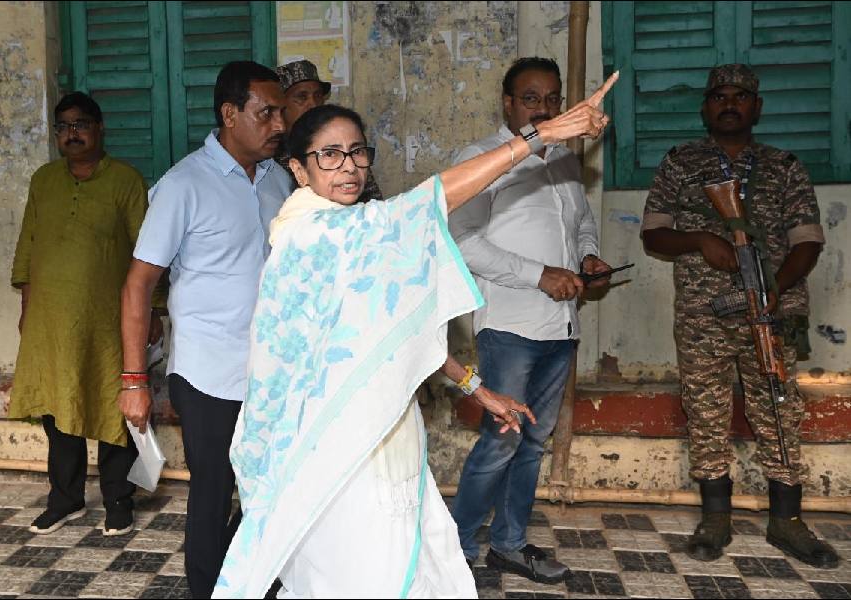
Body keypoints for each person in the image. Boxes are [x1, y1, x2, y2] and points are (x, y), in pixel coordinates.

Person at [214, 73, 617, 598]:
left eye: (357, 153)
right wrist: (541, 136)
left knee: (405, 567)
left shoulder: (358, 231)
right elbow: (429, 204)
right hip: (335, 446)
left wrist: (478, 389)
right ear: (298, 168)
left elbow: (398, 327)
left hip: (386, 430)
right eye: (329, 155)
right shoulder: (311, 234)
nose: (349, 167)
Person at [641, 64, 838, 568]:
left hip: (771, 313)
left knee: (779, 411)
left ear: (757, 107)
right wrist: (700, 240)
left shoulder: (784, 167)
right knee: (705, 411)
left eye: (741, 96)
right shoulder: (680, 163)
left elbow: (808, 241)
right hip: (702, 315)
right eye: (719, 96)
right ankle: (715, 519)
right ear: (705, 107)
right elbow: (653, 234)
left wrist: (776, 287)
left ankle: (787, 520)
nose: (729, 104)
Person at [118, 61, 293, 598]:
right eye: (266, 113)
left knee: (271, 492)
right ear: (229, 114)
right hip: (208, 372)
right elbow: (138, 285)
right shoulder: (183, 185)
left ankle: (249, 585)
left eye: (281, 113)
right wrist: (133, 380)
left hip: (271, 368)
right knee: (213, 495)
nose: (280, 125)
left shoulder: (278, 178)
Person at [448, 57, 612, 583]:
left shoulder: (562, 159)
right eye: (531, 98)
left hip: (561, 327)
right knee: (501, 441)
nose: (544, 108)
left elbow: (581, 223)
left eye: (552, 99)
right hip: (509, 326)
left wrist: (588, 256)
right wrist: (539, 274)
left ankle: (509, 544)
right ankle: (454, 550)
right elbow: (461, 240)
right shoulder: (482, 159)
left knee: (532, 443)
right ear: (508, 103)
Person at [10, 92, 158, 537]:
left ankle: (118, 499)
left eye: (80, 124)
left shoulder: (126, 181)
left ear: (99, 129)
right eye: (63, 126)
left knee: (114, 405)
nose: (71, 133)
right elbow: (28, 246)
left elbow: (147, 252)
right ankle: (66, 499)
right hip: (51, 321)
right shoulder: (44, 181)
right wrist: (27, 310)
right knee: (58, 408)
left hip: (109, 320)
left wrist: (153, 310)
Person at [275, 59, 383, 201]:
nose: (313, 104)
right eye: (302, 97)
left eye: (318, 96)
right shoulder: (271, 156)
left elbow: (373, 202)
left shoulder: (350, 155)